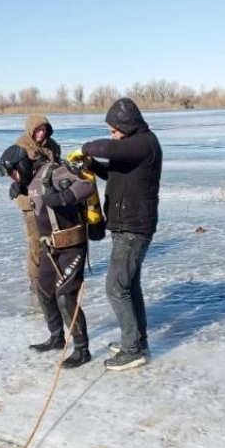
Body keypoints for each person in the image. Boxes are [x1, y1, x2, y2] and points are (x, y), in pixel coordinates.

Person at [78, 97, 162, 371]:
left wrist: (85, 148)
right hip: (125, 225)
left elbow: (108, 148)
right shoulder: (131, 148)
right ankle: (137, 342)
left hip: (134, 228)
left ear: (126, 123)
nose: (112, 133)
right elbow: (116, 173)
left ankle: (132, 350)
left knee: (115, 288)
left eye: (114, 128)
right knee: (129, 286)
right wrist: (92, 166)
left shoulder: (143, 143)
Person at [0, 141, 97, 368]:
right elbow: (37, 194)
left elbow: (85, 186)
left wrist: (63, 198)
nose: (12, 177)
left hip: (71, 246)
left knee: (65, 297)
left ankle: (82, 350)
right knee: (43, 290)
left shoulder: (53, 171)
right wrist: (22, 189)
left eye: (13, 172)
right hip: (50, 248)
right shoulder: (30, 180)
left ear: (21, 165)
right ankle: (56, 337)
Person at [13, 115, 62, 295]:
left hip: (50, 199)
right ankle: (35, 280)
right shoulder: (21, 146)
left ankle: (52, 274)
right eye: (38, 130)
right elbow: (12, 171)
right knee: (36, 242)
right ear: (31, 130)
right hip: (31, 202)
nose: (41, 134)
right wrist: (17, 182)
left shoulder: (52, 145)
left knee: (54, 239)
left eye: (44, 130)